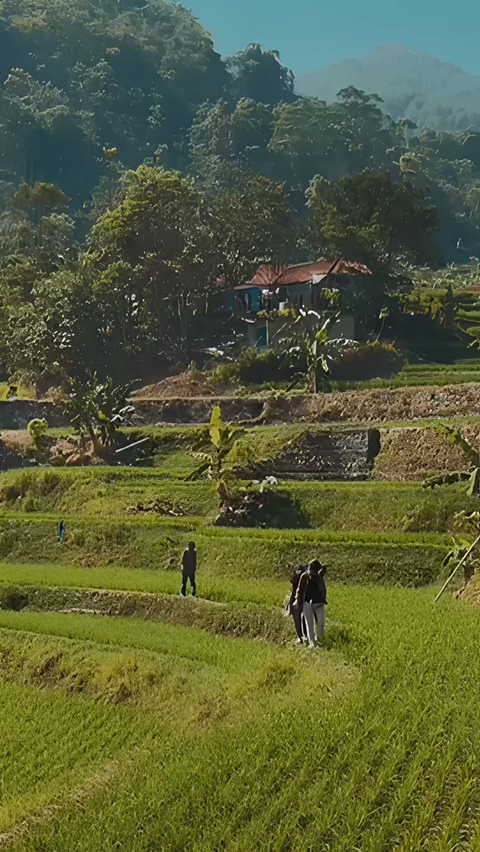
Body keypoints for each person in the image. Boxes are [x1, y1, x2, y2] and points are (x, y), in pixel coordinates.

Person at [295, 560, 327, 648]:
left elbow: (323, 572)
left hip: (319, 602)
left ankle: (319, 640)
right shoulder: (305, 576)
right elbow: (300, 590)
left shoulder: (319, 576)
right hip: (307, 602)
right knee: (309, 623)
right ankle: (312, 643)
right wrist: (299, 602)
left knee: (321, 623)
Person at [287, 565, 307, 644]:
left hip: (299, 601)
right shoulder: (305, 578)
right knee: (301, 619)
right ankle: (303, 636)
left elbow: (294, 593)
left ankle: (301, 636)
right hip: (301, 601)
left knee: (299, 620)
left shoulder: (301, 580)